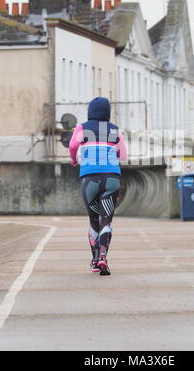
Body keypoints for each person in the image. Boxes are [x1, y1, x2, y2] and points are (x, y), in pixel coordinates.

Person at [69, 97, 128, 276]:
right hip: (111, 179)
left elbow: (73, 146)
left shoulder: (82, 128)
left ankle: (95, 261)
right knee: (106, 220)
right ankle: (103, 257)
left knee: (94, 220)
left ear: (90, 111)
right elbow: (123, 155)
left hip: (90, 180)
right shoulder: (115, 130)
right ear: (107, 112)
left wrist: (74, 160)